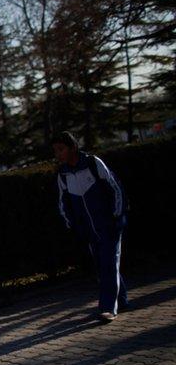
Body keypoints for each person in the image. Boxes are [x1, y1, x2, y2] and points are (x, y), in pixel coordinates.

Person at [53, 131, 128, 322]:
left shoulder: (93, 163)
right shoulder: (63, 174)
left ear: (72, 147)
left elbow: (115, 187)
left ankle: (108, 308)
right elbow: (63, 203)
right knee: (104, 264)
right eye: (56, 150)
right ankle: (123, 300)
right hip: (89, 231)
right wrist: (73, 225)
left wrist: (117, 216)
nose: (58, 154)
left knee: (108, 264)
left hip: (109, 224)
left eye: (61, 149)